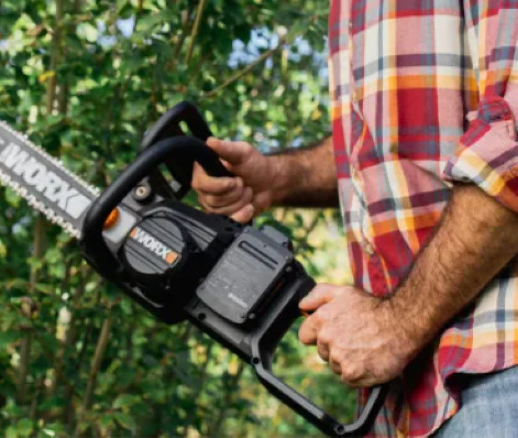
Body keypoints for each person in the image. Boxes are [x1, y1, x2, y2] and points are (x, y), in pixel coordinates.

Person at [191, 1, 518, 436]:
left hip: (500, 365)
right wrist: (279, 177)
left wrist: (396, 324)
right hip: (416, 397)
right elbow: (389, 144)